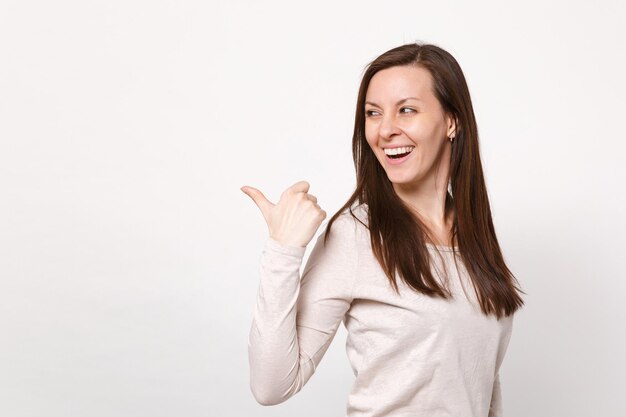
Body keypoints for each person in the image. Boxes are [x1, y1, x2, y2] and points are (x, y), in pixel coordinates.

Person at [241, 42, 525, 417]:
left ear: (452, 122)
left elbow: (478, 381)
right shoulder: (356, 235)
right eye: (373, 113)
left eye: (406, 110)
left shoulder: (474, 236)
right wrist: (283, 249)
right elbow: (271, 385)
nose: (386, 129)